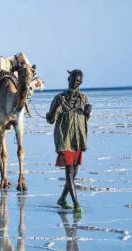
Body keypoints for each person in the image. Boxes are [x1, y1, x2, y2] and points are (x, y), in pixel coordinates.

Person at [46, 70, 92, 214]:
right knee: (70, 172)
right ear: (68, 79)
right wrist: (55, 106)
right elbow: (50, 119)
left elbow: (84, 120)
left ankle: (62, 199)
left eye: (78, 81)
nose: (74, 83)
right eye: (73, 79)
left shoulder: (83, 99)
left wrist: (87, 113)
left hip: (78, 139)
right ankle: (77, 205)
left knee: (75, 171)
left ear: (81, 82)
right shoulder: (59, 98)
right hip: (64, 139)